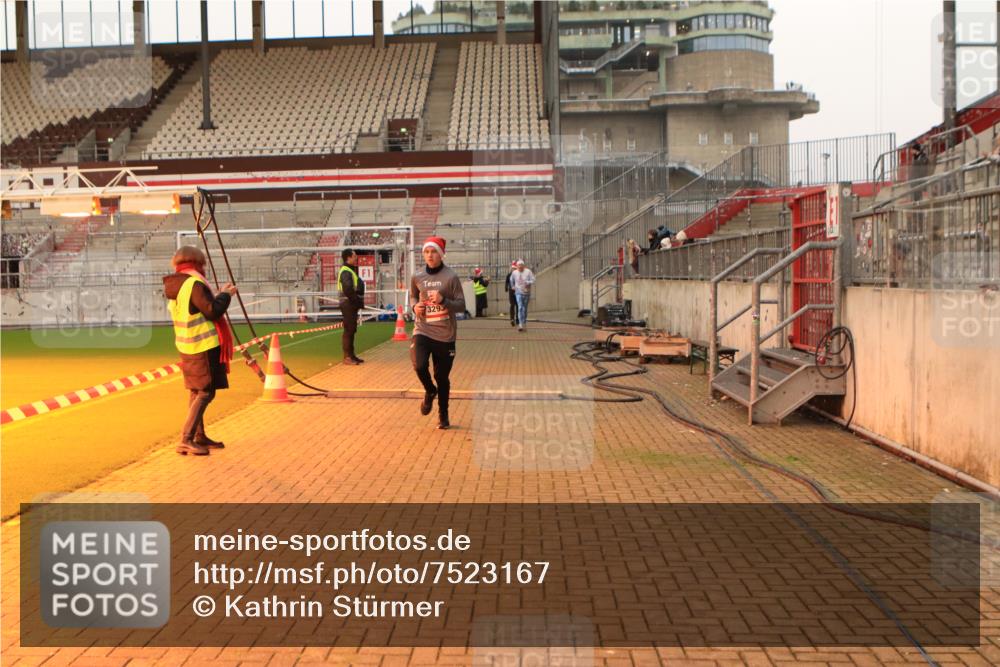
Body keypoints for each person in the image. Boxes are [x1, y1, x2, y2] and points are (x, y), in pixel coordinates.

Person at [162, 246, 237, 456]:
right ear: (197, 262)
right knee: (206, 391)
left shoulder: (176, 284)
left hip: (187, 345)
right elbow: (212, 310)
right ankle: (186, 439)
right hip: (203, 346)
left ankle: (198, 436)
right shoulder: (194, 283)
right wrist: (225, 295)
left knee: (196, 391)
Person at [410, 236, 465, 430]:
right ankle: (429, 390)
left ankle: (443, 414)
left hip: (445, 334)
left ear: (441, 254)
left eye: (433, 252)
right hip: (422, 329)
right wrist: (414, 306)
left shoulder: (451, 277)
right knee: (419, 365)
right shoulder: (417, 276)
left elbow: (461, 306)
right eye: (426, 252)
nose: (430, 255)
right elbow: (413, 296)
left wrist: (443, 300)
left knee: (442, 377)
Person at [338, 248, 365, 365]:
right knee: (349, 330)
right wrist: (356, 301)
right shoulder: (345, 271)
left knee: (352, 329)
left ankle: (351, 355)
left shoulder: (349, 270)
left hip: (350, 303)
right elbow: (348, 289)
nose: (356, 258)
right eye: (354, 256)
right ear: (348, 258)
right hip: (348, 303)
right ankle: (347, 357)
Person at [511, 259, 535, 332]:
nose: (520, 268)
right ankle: (520, 324)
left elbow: (533, 279)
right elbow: (511, 280)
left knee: (525, 309)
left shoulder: (528, 271)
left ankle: (524, 322)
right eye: (518, 266)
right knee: (520, 307)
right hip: (518, 292)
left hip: (526, 293)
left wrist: (528, 282)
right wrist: (513, 286)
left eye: (521, 266)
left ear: (524, 266)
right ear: (517, 266)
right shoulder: (514, 272)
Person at [504, 260, 518, 326]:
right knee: (512, 305)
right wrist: (506, 287)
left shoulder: (518, 275)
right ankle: (512, 319)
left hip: (518, 291)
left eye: (515, 268)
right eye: (513, 268)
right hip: (511, 292)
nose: (513, 269)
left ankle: (518, 318)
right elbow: (506, 282)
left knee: (518, 305)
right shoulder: (509, 275)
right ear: (511, 268)